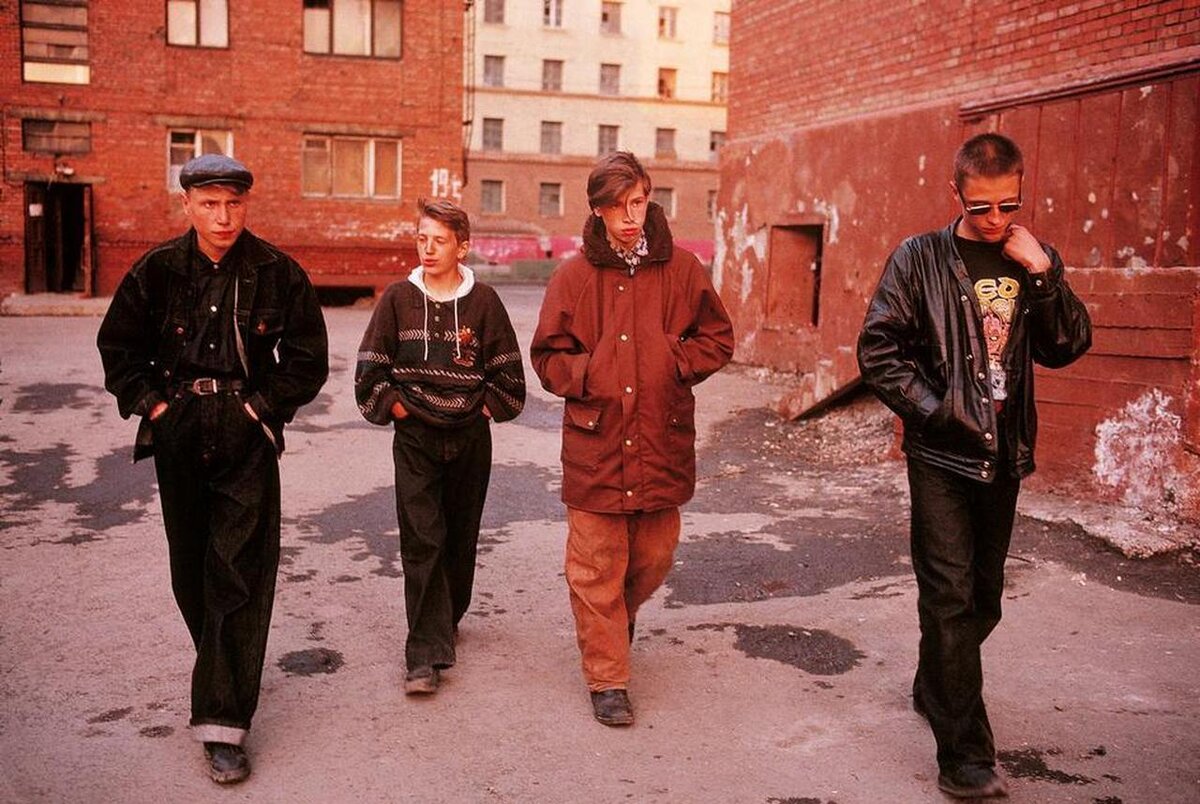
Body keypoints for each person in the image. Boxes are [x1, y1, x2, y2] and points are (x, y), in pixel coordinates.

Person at [857, 133, 1092, 799]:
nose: (994, 219)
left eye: (1008, 205)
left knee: (982, 599)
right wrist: (941, 413)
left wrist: (1042, 274)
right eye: (980, 206)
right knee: (950, 597)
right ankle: (965, 757)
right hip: (939, 454)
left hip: (1004, 455)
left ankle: (938, 681)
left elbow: (1066, 345)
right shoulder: (919, 258)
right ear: (955, 193)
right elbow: (878, 350)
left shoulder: (1033, 258)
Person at [96, 154, 329, 785]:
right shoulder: (157, 270)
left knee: (238, 572)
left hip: (245, 432)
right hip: (179, 428)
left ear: (246, 204)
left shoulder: (277, 271)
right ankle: (227, 663)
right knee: (191, 571)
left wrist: (260, 409)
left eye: (233, 204)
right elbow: (118, 348)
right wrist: (156, 406)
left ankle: (223, 722)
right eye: (209, 204)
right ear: (187, 205)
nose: (223, 217)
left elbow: (307, 359)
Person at [530, 151, 734, 726]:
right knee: (595, 566)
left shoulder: (683, 269)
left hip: (659, 438)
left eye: (637, 203)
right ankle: (608, 679)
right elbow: (547, 356)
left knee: (653, 554)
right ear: (596, 210)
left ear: (649, 199)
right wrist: (590, 373)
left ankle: (616, 619)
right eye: (616, 207)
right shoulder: (573, 277)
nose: (629, 217)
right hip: (595, 443)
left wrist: (675, 361)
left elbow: (718, 337)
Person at [354, 198, 525, 695]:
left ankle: (446, 616)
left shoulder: (484, 302)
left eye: (440, 241)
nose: (428, 250)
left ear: (462, 248)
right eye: (422, 239)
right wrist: (399, 408)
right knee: (422, 539)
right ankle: (424, 657)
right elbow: (370, 370)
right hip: (415, 438)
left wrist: (484, 408)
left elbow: (510, 377)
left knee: (459, 538)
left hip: (470, 437)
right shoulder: (397, 299)